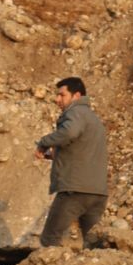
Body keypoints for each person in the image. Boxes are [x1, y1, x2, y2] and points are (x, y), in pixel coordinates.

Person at [34, 77, 109, 248]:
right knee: (92, 245)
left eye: (62, 95)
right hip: (98, 192)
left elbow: (69, 132)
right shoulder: (94, 119)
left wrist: (44, 142)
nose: (57, 99)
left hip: (75, 191)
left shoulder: (75, 112)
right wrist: (53, 155)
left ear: (76, 96)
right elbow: (83, 151)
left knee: (49, 239)